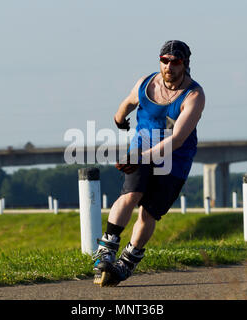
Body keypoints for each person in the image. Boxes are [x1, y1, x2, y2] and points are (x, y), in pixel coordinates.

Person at [93, 40, 205, 287]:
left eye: (175, 62)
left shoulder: (194, 95)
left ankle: (128, 260)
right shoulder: (146, 83)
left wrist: (140, 157)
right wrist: (120, 119)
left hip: (175, 158)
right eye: (164, 61)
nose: (169, 67)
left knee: (149, 212)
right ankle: (107, 247)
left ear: (185, 64)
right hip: (142, 147)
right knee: (131, 194)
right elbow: (128, 102)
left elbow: (176, 139)